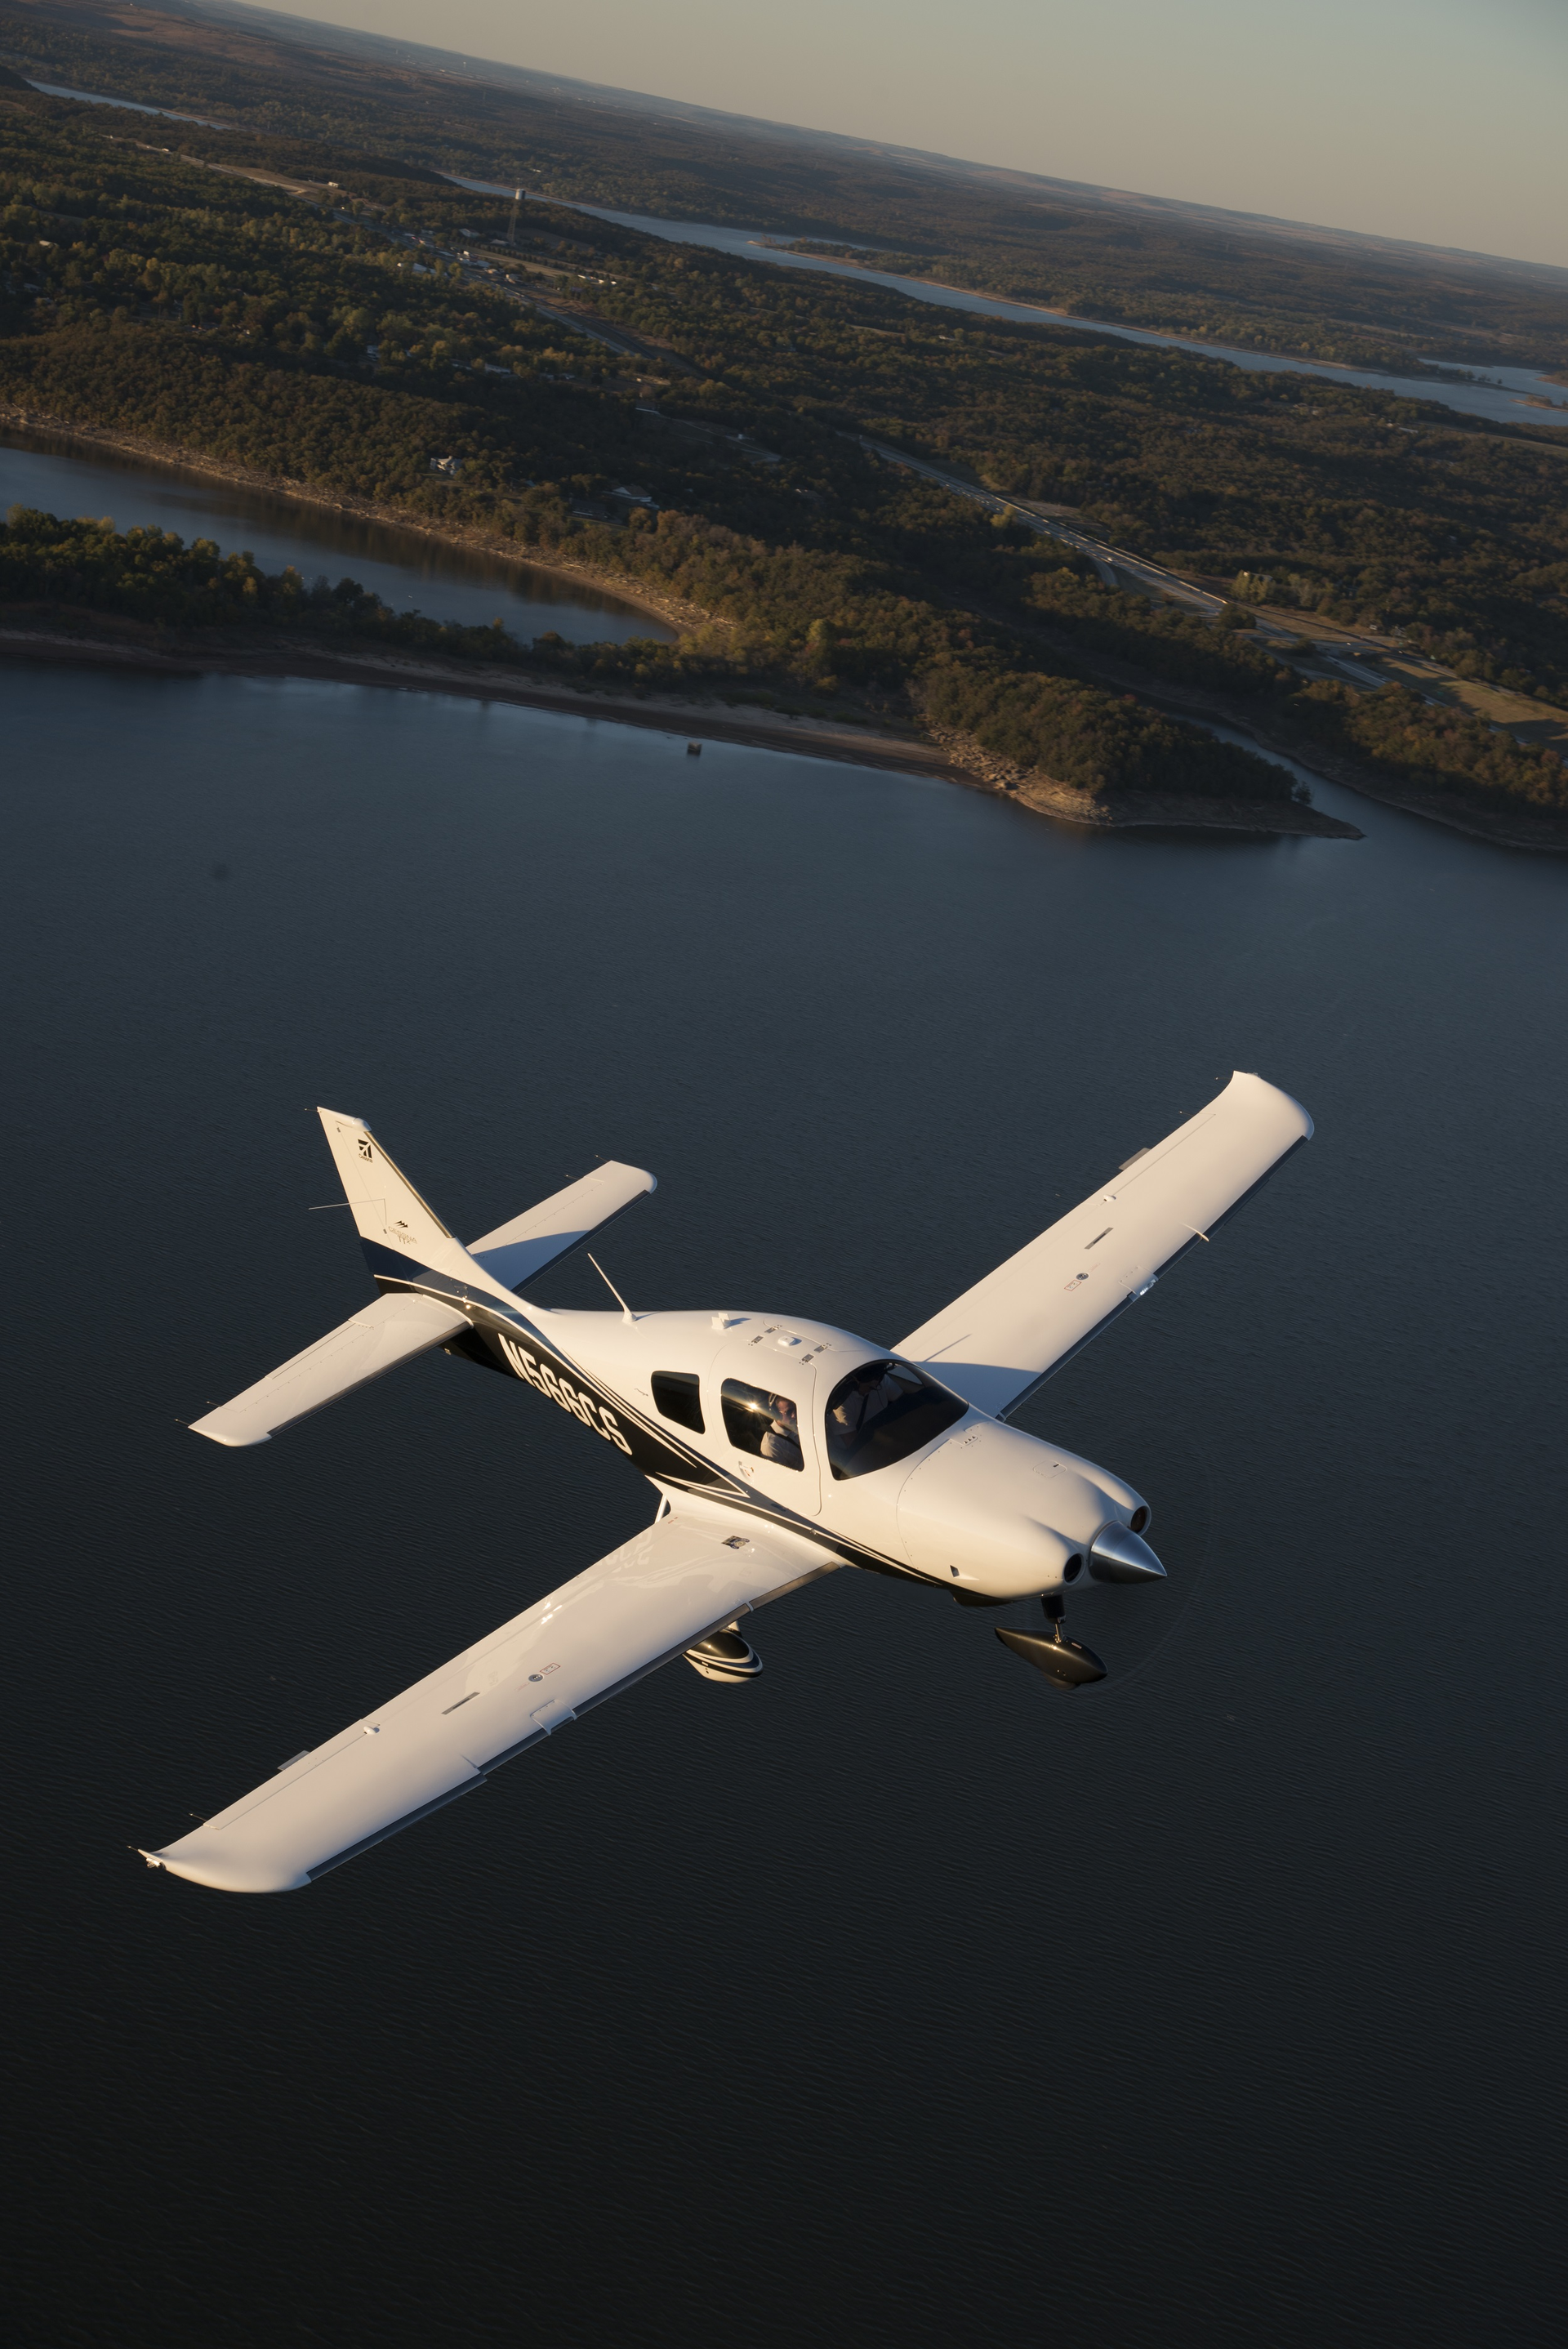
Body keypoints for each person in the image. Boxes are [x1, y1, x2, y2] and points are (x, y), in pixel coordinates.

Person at [760, 1393, 804, 1469]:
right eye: (789, 1412)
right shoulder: (771, 1446)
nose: (794, 1415)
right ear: (776, 1414)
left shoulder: (797, 1425)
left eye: (795, 1409)